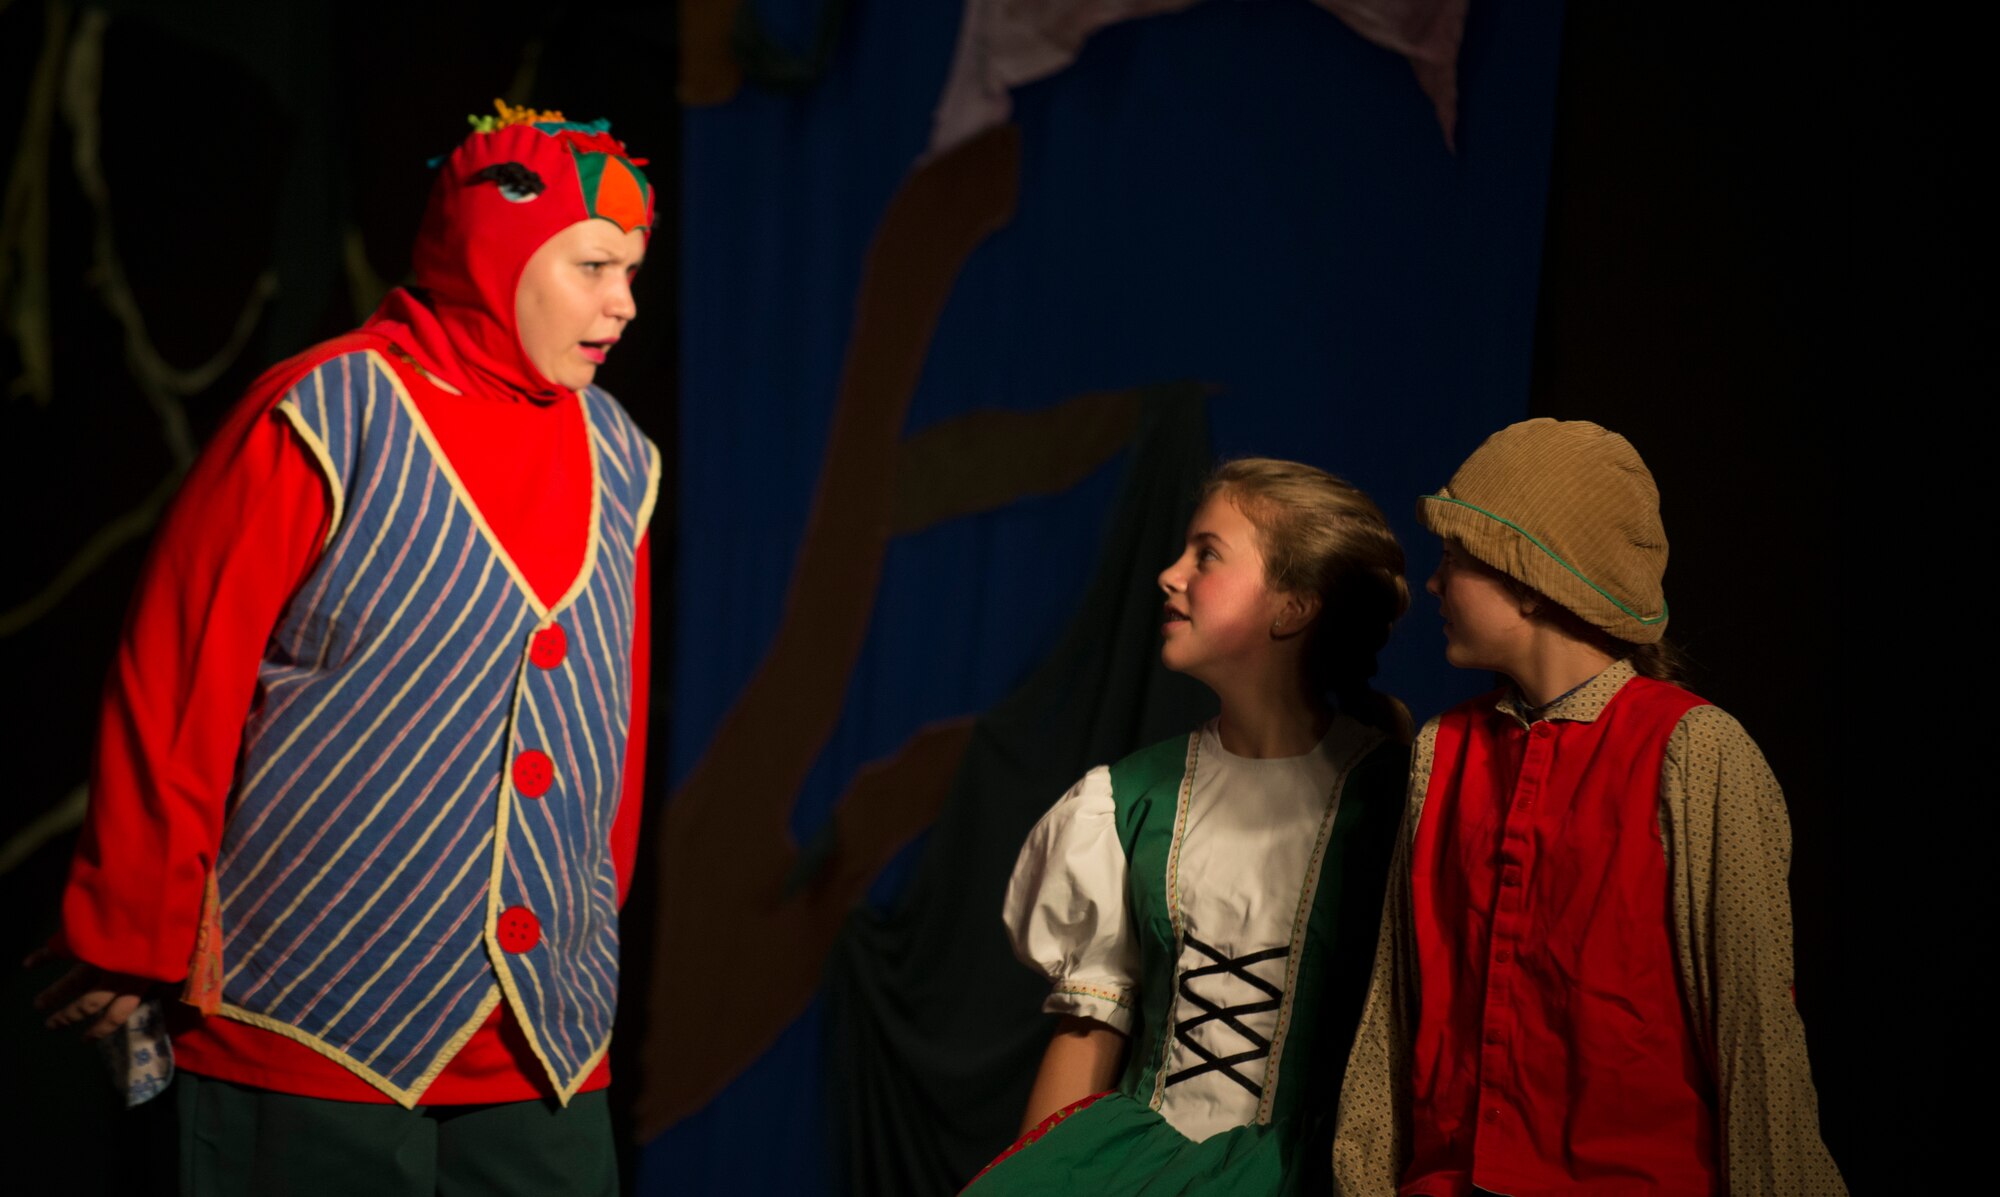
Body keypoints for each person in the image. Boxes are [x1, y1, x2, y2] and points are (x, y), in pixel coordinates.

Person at [30, 100, 660, 1195]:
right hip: (316, 1010)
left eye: (633, 269)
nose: (622, 304)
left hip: (534, 1042)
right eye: (593, 265)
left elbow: (613, 728)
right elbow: (185, 671)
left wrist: (580, 942)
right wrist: (134, 924)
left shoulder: (621, 456)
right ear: (490, 252)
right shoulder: (333, 413)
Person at [1331, 418, 1846, 1196]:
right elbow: (1393, 1010)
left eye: (1454, 559)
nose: (1433, 584)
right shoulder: (1444, 750)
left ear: (1532, 578)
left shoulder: (1697, 752)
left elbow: (1756, 1039)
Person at [966, 458, 1412, 1194]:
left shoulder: (1390, 801)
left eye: (1206, 554)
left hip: (1316, 1173)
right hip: (1140, 1166)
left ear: (1293, 606)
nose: (1170, 574)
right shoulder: (1128, 801)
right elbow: (1089, 1031)